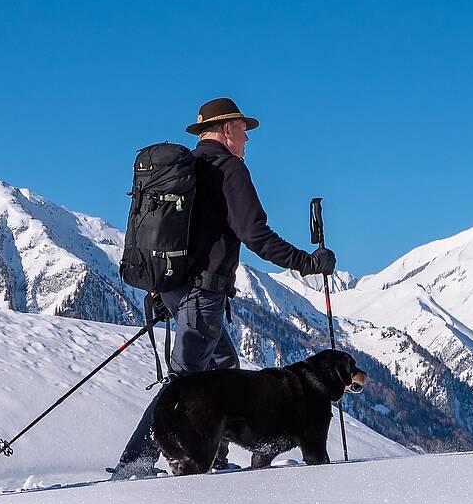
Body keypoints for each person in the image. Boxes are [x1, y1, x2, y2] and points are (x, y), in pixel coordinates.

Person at [109, 97, 335, 479]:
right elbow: (255, 235)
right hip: (203, 293)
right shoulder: (230, 170)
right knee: (183, 388)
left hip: (178, 289)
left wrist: (172, 292)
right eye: (243, 130)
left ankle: (212, 454)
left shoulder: (189, 170)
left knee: (226, 370)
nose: (247, 138)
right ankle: (136, 463)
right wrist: (307, 263)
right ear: (227, 129)